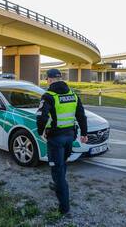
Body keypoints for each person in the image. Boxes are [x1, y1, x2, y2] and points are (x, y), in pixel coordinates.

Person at [36, 69, 88, 215]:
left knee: (57, 169)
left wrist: (40, 132)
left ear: (50, 79)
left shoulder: (48, 96)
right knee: (62, 164)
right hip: (70, 137)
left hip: (55, 138)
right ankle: (57, 185)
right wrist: (84, 133)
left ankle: (64, 208)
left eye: (47, 79)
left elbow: (41, 117)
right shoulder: (73, 95)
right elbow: (81, 116)